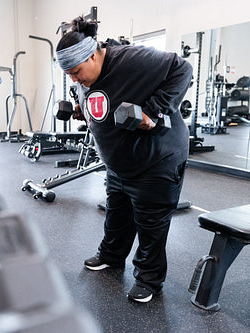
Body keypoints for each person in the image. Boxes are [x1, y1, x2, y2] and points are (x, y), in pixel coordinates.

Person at [55, 17, 193, 303]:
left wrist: (152, 111)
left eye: (76, 72)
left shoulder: (132, 59)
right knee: (117, 214)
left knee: (151, 223)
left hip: (156, 158)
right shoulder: (85, 75)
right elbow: (99, 98)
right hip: (118, 163)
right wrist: (84, 109)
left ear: (93, 55)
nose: (74, 79)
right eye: (68, 74)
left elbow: (183, 68)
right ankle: (112, 255)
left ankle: (149, 279)